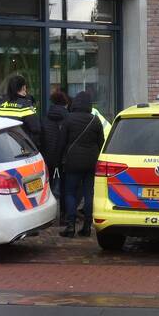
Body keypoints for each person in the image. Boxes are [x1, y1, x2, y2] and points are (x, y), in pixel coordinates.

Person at [58, 91, 104, 238]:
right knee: (88, 193)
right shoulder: (95, 120)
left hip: (73, 162)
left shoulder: (68, 120)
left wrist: (59, 160)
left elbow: (62, 142)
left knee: (70, 192)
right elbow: (101, 143)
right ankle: (87, 226)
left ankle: (70, 226)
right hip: (91, 162)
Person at [0, 75, 41, 146]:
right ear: (23, 87)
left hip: (1, 143)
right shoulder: (25, 104)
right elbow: (36, 128)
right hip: (18, 145)